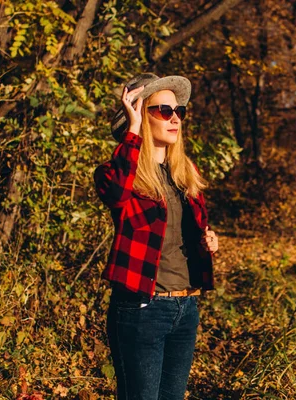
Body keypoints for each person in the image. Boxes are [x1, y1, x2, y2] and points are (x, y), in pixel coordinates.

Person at [93, 73, 219, 400]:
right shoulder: (120, 174)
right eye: (163, 111)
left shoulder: (185, 172)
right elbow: (117, 193)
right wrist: (132, 129)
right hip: (143, 308)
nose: (175, 117)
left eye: (179, 111)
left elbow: (189, 233)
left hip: (186, 306)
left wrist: (208, 240)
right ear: (140, 115)